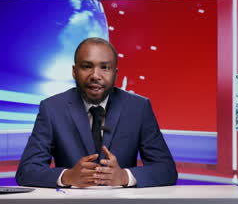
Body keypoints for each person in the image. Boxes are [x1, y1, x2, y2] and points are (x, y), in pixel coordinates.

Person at [16, 37, 177, 188]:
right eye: (87, 66)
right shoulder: (52, 108)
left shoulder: (138, 107)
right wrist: (67, 177)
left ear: (115, 73)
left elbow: (167, 170)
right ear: (74, 71)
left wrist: (124, 177)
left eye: (105, 67)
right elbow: (26, 171)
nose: (95, 76)